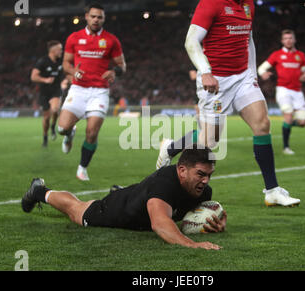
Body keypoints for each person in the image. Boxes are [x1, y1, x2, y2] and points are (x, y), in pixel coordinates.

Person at [156, 0, 300, 207]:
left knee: (262, 124)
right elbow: (191, 41)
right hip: (215, 80)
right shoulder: (211, 3)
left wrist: (251, 72)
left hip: (242, 78)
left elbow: (248, 38)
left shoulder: (248, 4)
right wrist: (205, 71)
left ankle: (272, 191)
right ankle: (172, 150)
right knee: (210, 142)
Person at [22, 148, 227, 250]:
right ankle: (40, 191)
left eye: (209, 175)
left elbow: (196, 215)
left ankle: (120, 192)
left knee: (139, 195)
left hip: (137, 200)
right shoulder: (165, 183)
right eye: (200, 174)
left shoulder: (203, 191)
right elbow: (160, 223)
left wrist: (214, 222)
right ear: (182, 170)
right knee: (77, 211)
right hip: (118, 212)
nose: (206, 180)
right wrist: (192, 244)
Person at [59, 2, 127, 181]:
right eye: (93, 16)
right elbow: (65, 63)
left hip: (99, 92)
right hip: (78, 89)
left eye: (100, 17)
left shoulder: (111, 40)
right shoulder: (74, 37)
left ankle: (82, 167)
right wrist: (74, 71)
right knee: (62, 128)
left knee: (92, 132)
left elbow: (122, 66)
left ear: (104, 19)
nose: (96, 19)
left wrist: (114, 72)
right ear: (87, 17)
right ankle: (69, 134)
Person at [257, 30, 305, 155]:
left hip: (298, 91)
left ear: (294, 40)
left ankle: (287, 124)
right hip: (283, 90)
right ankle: (286, 147)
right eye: (286, 38)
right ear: (282, 41)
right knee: (288, 116)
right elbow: (261, 68)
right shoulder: (277, 55)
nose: (288, 40)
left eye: (290, 38)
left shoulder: (301, 55)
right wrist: (263, 73)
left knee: (303, 123)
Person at [30, 40, 64, 147]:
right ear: (53, 50)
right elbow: (33, 76)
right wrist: (45, 80)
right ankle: (45, 136)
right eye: (60, 49)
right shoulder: (42, 61)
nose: (61, 51)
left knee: (55, 109)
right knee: (46, 117)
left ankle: (53, 126)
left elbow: (66, 73)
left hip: (56, 90)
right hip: (44, 92)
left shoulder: (61, 61)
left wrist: (65, 80)